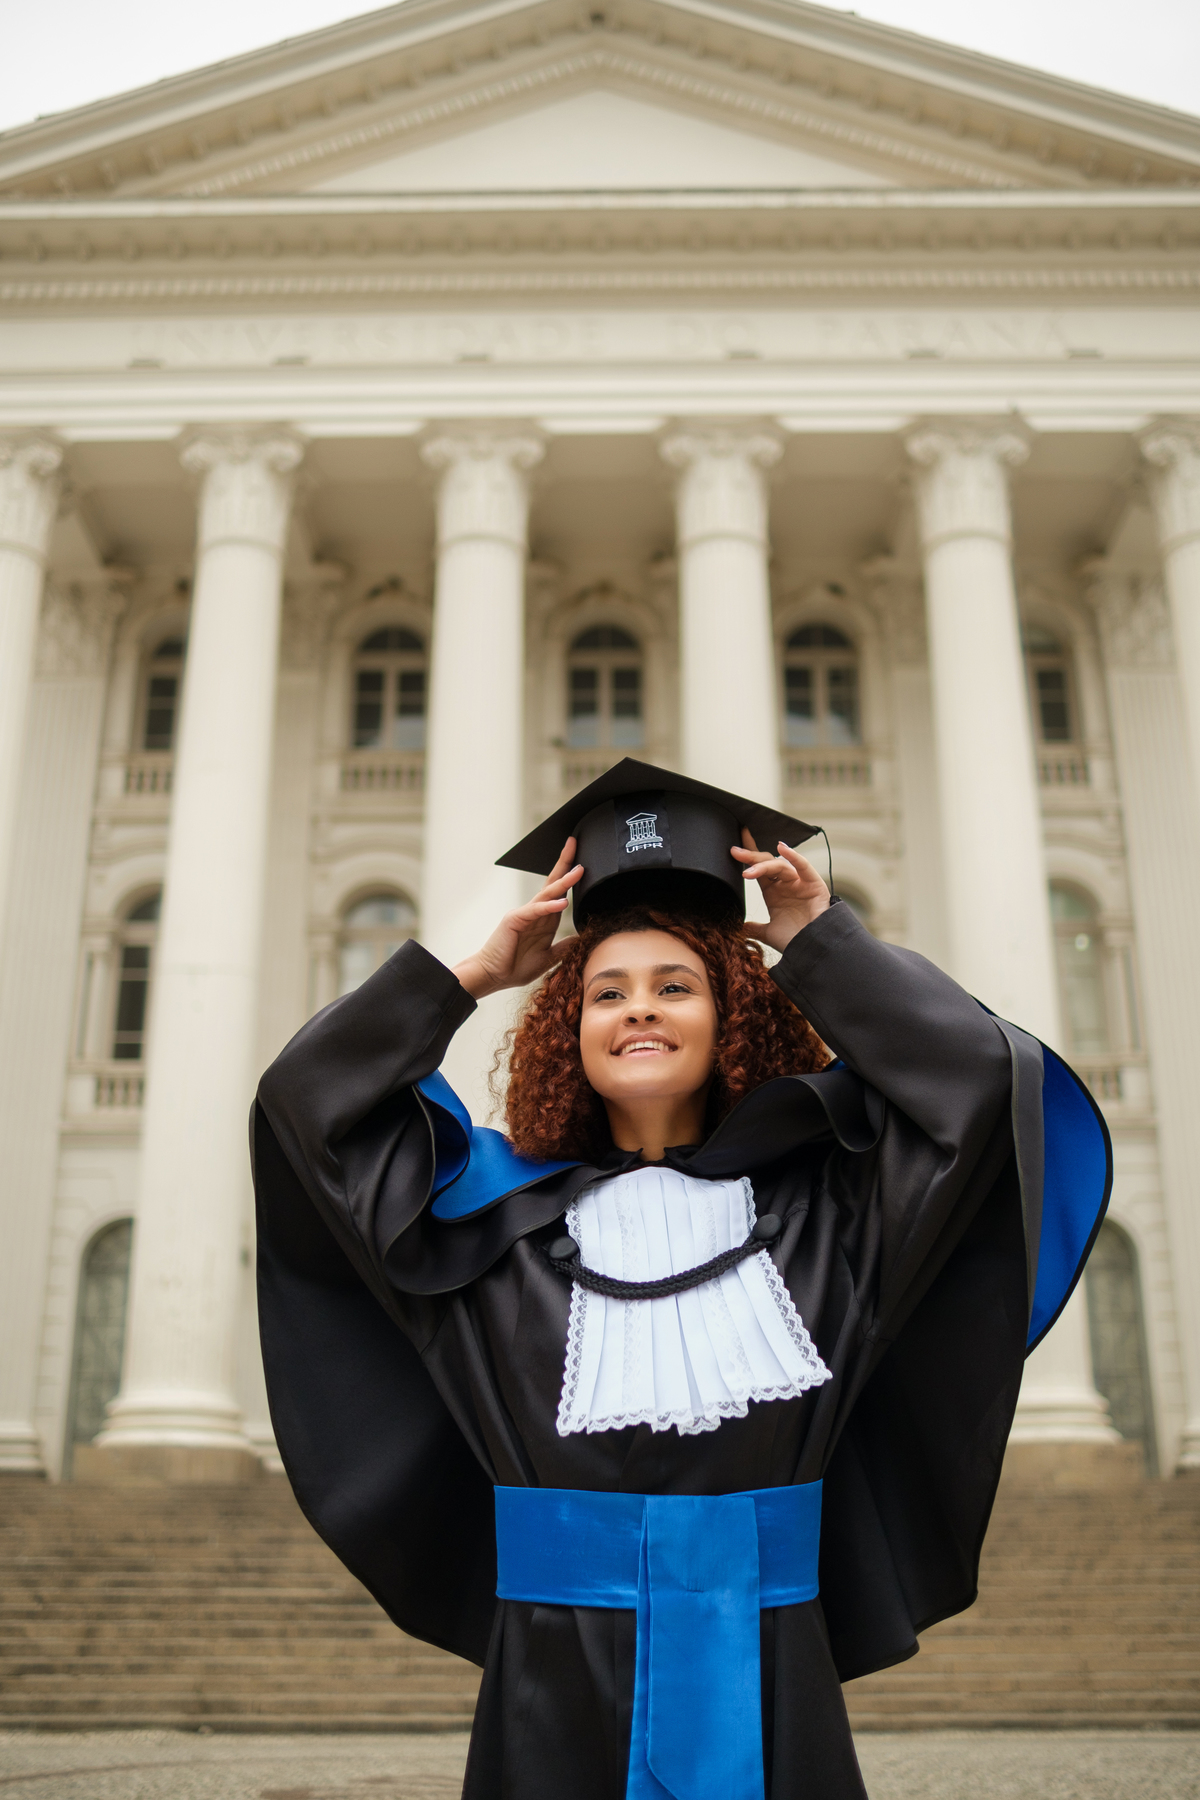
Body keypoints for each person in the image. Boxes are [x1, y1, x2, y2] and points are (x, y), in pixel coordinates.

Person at [253, 761, 1110, 1800]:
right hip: (548, 1672)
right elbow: (307, 1106)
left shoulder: (830, 1220)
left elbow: (975, 1083)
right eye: (606, 992)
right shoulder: (483, 1231)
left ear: (730, 1016)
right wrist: (466, 978)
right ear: (567, 1029)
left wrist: (821, 945)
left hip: (768, 1656)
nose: (639, 1011)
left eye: (674, 987)